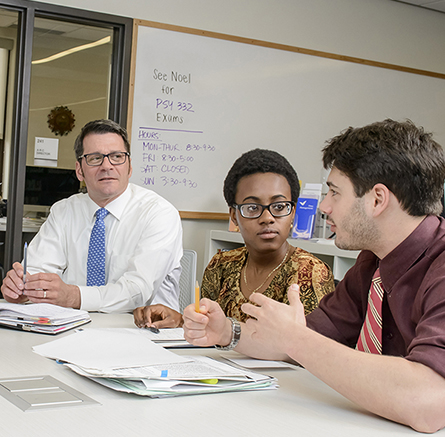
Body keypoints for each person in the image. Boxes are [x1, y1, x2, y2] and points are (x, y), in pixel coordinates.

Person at [183, 120, 445, 433]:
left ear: (377, 199)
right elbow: (308, 338)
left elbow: (429, 402)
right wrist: (227, 332)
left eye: (334, 192)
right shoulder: (371, 263)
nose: (324, 207)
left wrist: (295, 338)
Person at [134, 148, 334, 328]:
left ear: (293, 212)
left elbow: (309, 348)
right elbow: (208, 326)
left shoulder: (310, 273)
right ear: (233, 216)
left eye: (279, 207)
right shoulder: (221, 265)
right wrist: (180, 320)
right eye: (252, 208)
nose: (267, 218)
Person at [1, 119, 183, 313]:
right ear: (79, 171)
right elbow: (37, 271)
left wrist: (73, 296)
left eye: (117, 156)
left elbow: (138, 292)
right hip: (72, 327)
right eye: (95, 158)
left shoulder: (158, 213)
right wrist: (24, 286)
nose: (107, 166)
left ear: (129, 167)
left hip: (142, 330)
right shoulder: (63, 211)